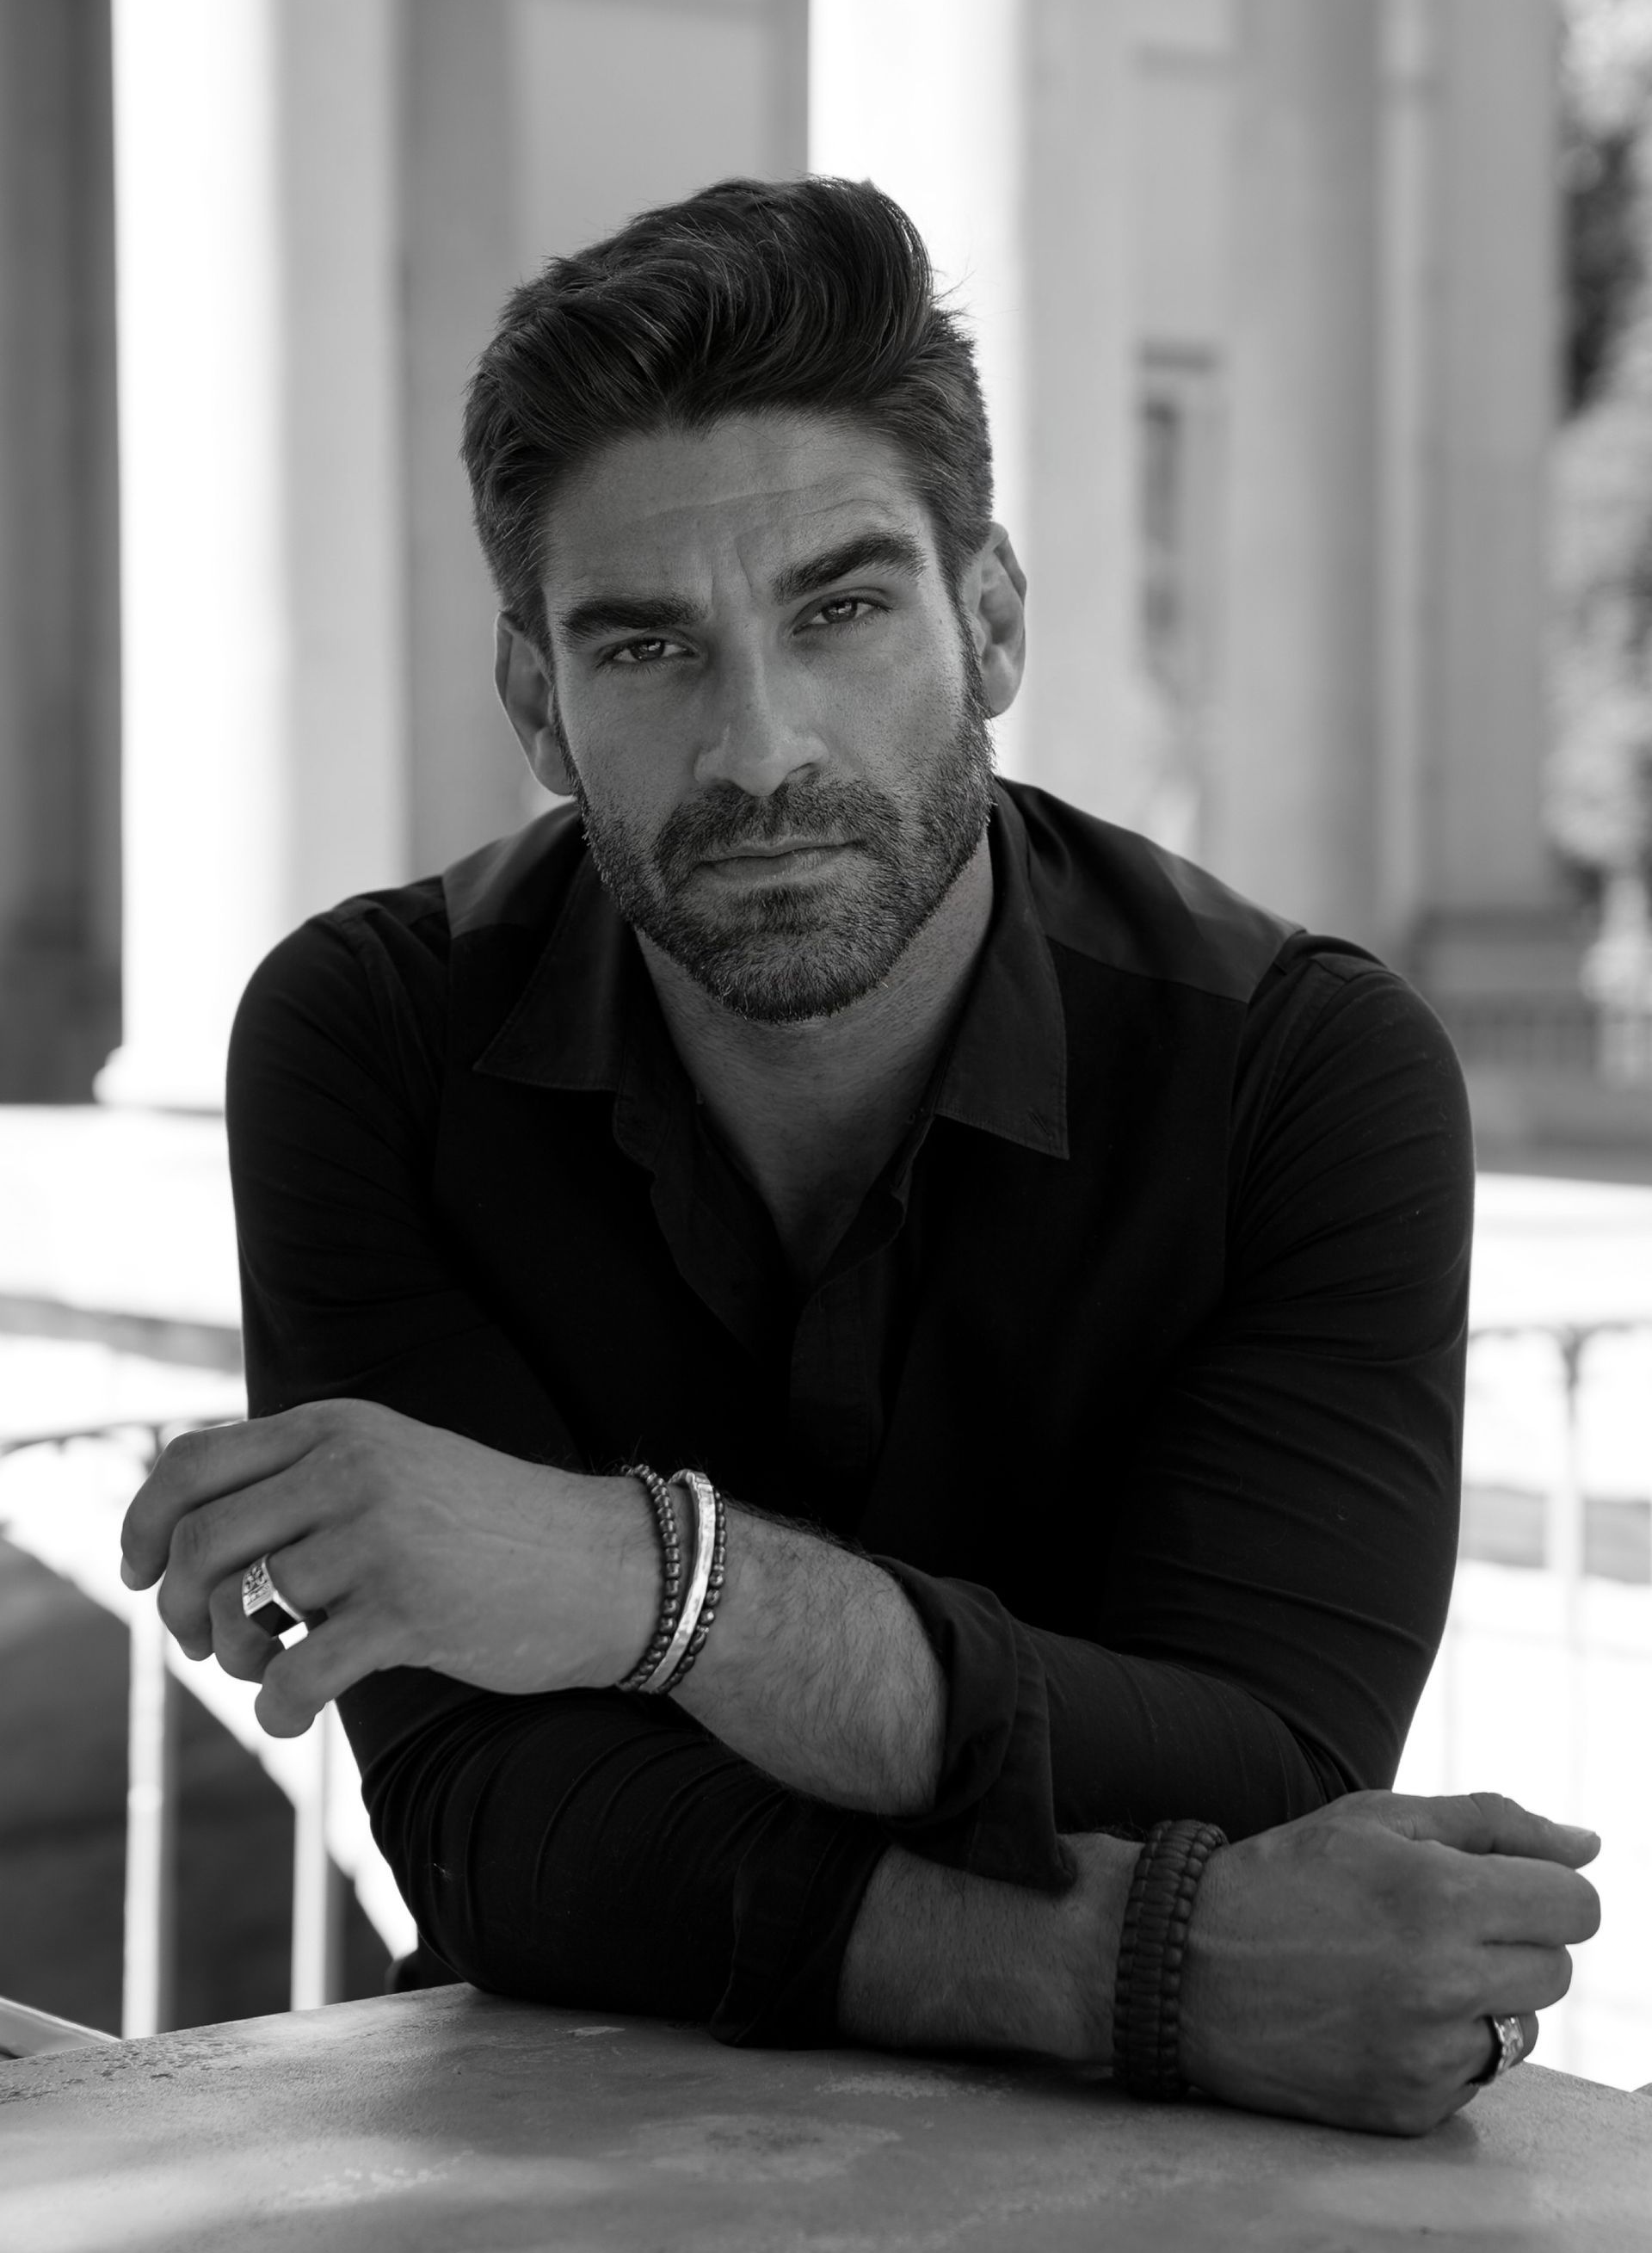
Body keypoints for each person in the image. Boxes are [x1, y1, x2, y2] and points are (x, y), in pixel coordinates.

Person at [121, 177, 1599, 2134]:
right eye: (646, 649)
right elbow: (500, 1830)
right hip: (578, 2166)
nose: (760, 751)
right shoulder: (370, 1046)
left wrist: (646, 1585)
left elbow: (1260, 1770)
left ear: (988, 624)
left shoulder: (1304, 1077)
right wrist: (1133, 1968)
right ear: (535, 708)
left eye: (842, 611)